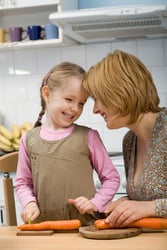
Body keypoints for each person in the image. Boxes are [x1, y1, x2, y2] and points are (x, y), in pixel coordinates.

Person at [15, 61, 120, 226]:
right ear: (47, 94)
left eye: (81, 103)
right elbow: (23, 182)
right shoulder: (29, 139)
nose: (75, 108)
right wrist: (29, 202)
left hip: (85, 228)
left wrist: (95, 203)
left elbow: (111, 178)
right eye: (69, 99)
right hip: (44, 228)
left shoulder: (89, 137)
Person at [83, 50, 167, 228]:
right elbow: (148, 198)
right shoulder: (130, 141)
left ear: (119, 91)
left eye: (98, 99)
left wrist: (151, 207)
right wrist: (126, 202)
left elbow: (151, 205)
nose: (95, 110)